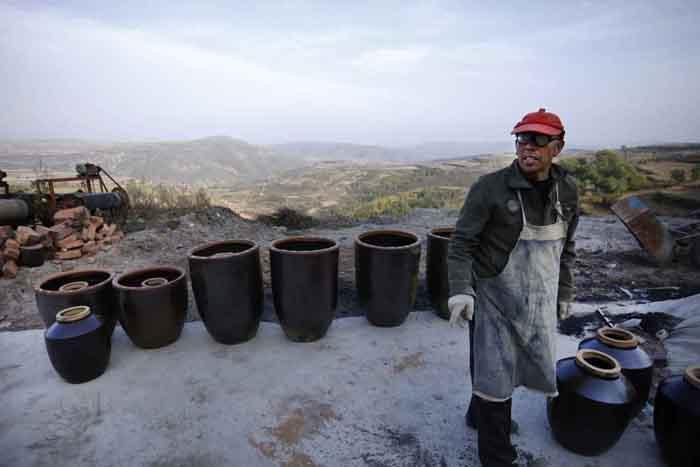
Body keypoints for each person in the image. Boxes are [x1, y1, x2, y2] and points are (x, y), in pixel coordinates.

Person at [446, 108, 579, 467]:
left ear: (558, 147)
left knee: (521, 367)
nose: (527, 147)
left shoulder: (567, 190)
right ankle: (497, 457)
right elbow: (461, 244)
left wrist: (564, 292)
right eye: (522, 138)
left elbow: (567, 248)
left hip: (538, 297)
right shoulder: (489, 188)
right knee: (495, 375)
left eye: (538, 140)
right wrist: (461, 289)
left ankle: (478, 415)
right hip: (494, 299)